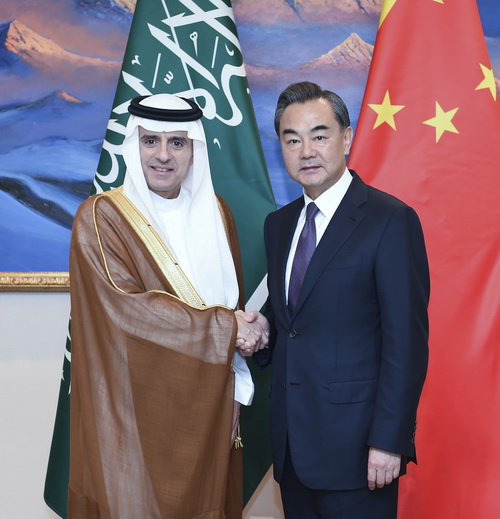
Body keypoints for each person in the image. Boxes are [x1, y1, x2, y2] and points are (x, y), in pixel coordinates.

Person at [68, 93, 267, 519]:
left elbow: (231, 304)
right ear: (132, 145)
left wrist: (235, 384)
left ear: (194, 149)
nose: (163, 155)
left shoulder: (218, 214)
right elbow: (126, 312)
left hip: (212, 402)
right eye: (150, 141)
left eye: (177, 142)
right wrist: (229, 328)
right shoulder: (101, 217)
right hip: (134, 411)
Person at [253, 82, 430, 518]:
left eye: (320, 135)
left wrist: (389, 441)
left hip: (360, 454)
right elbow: (294, 316)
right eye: (292, 140)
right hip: (292, 449)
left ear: (346, 138)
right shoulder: (279, 225)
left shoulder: (390, 220)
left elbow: (406, 343)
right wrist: (263, 328)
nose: (306, 151)